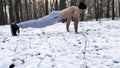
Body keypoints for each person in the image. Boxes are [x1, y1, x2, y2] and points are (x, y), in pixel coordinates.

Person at [10, 2, 87, 36]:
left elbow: (69, 20)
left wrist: (67, 29)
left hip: (56, 16)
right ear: (82, 9)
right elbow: (76, 21)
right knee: (38, 23)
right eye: (84, 10)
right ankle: (16, 26)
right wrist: (76, 32)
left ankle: (17, 26)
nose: (84, 11)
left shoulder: (73, 9)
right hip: (56, 16)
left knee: (38, 23)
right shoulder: (76, 10)